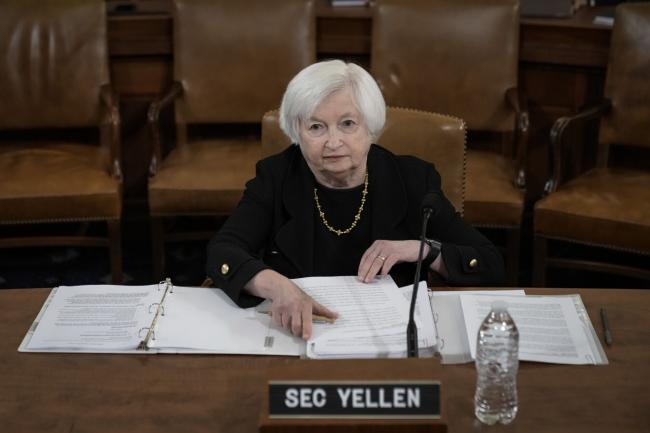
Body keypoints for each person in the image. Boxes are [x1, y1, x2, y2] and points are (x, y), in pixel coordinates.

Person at [206, 60, 504, 340]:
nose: (333, 142)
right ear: (296, 131)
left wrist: (423, 249)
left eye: (348, 124)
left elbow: (490, 262)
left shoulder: (413, 179)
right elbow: (223, 250)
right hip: (300, 336)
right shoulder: (276, 176)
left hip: (390, 339)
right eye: (316, 127)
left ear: (371, 127)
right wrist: (278, 286)